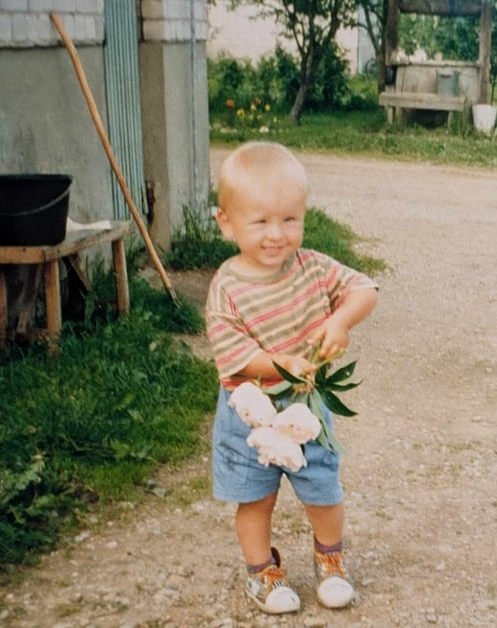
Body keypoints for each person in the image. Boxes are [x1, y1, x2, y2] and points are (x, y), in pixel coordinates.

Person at [206, 141, 379, 614]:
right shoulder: (227, 287)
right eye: (259, 221)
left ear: (304, 216)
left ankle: (331, 559)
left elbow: (364, 288)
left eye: (289, 219)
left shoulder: (313, 268)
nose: (275, 234)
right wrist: (282, 363)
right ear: (227, 222)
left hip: (306, 407)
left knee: (323, 486)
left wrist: (339, 321)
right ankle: (261, 571)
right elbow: (233, 354)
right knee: (254, 497)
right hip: (250, 410)